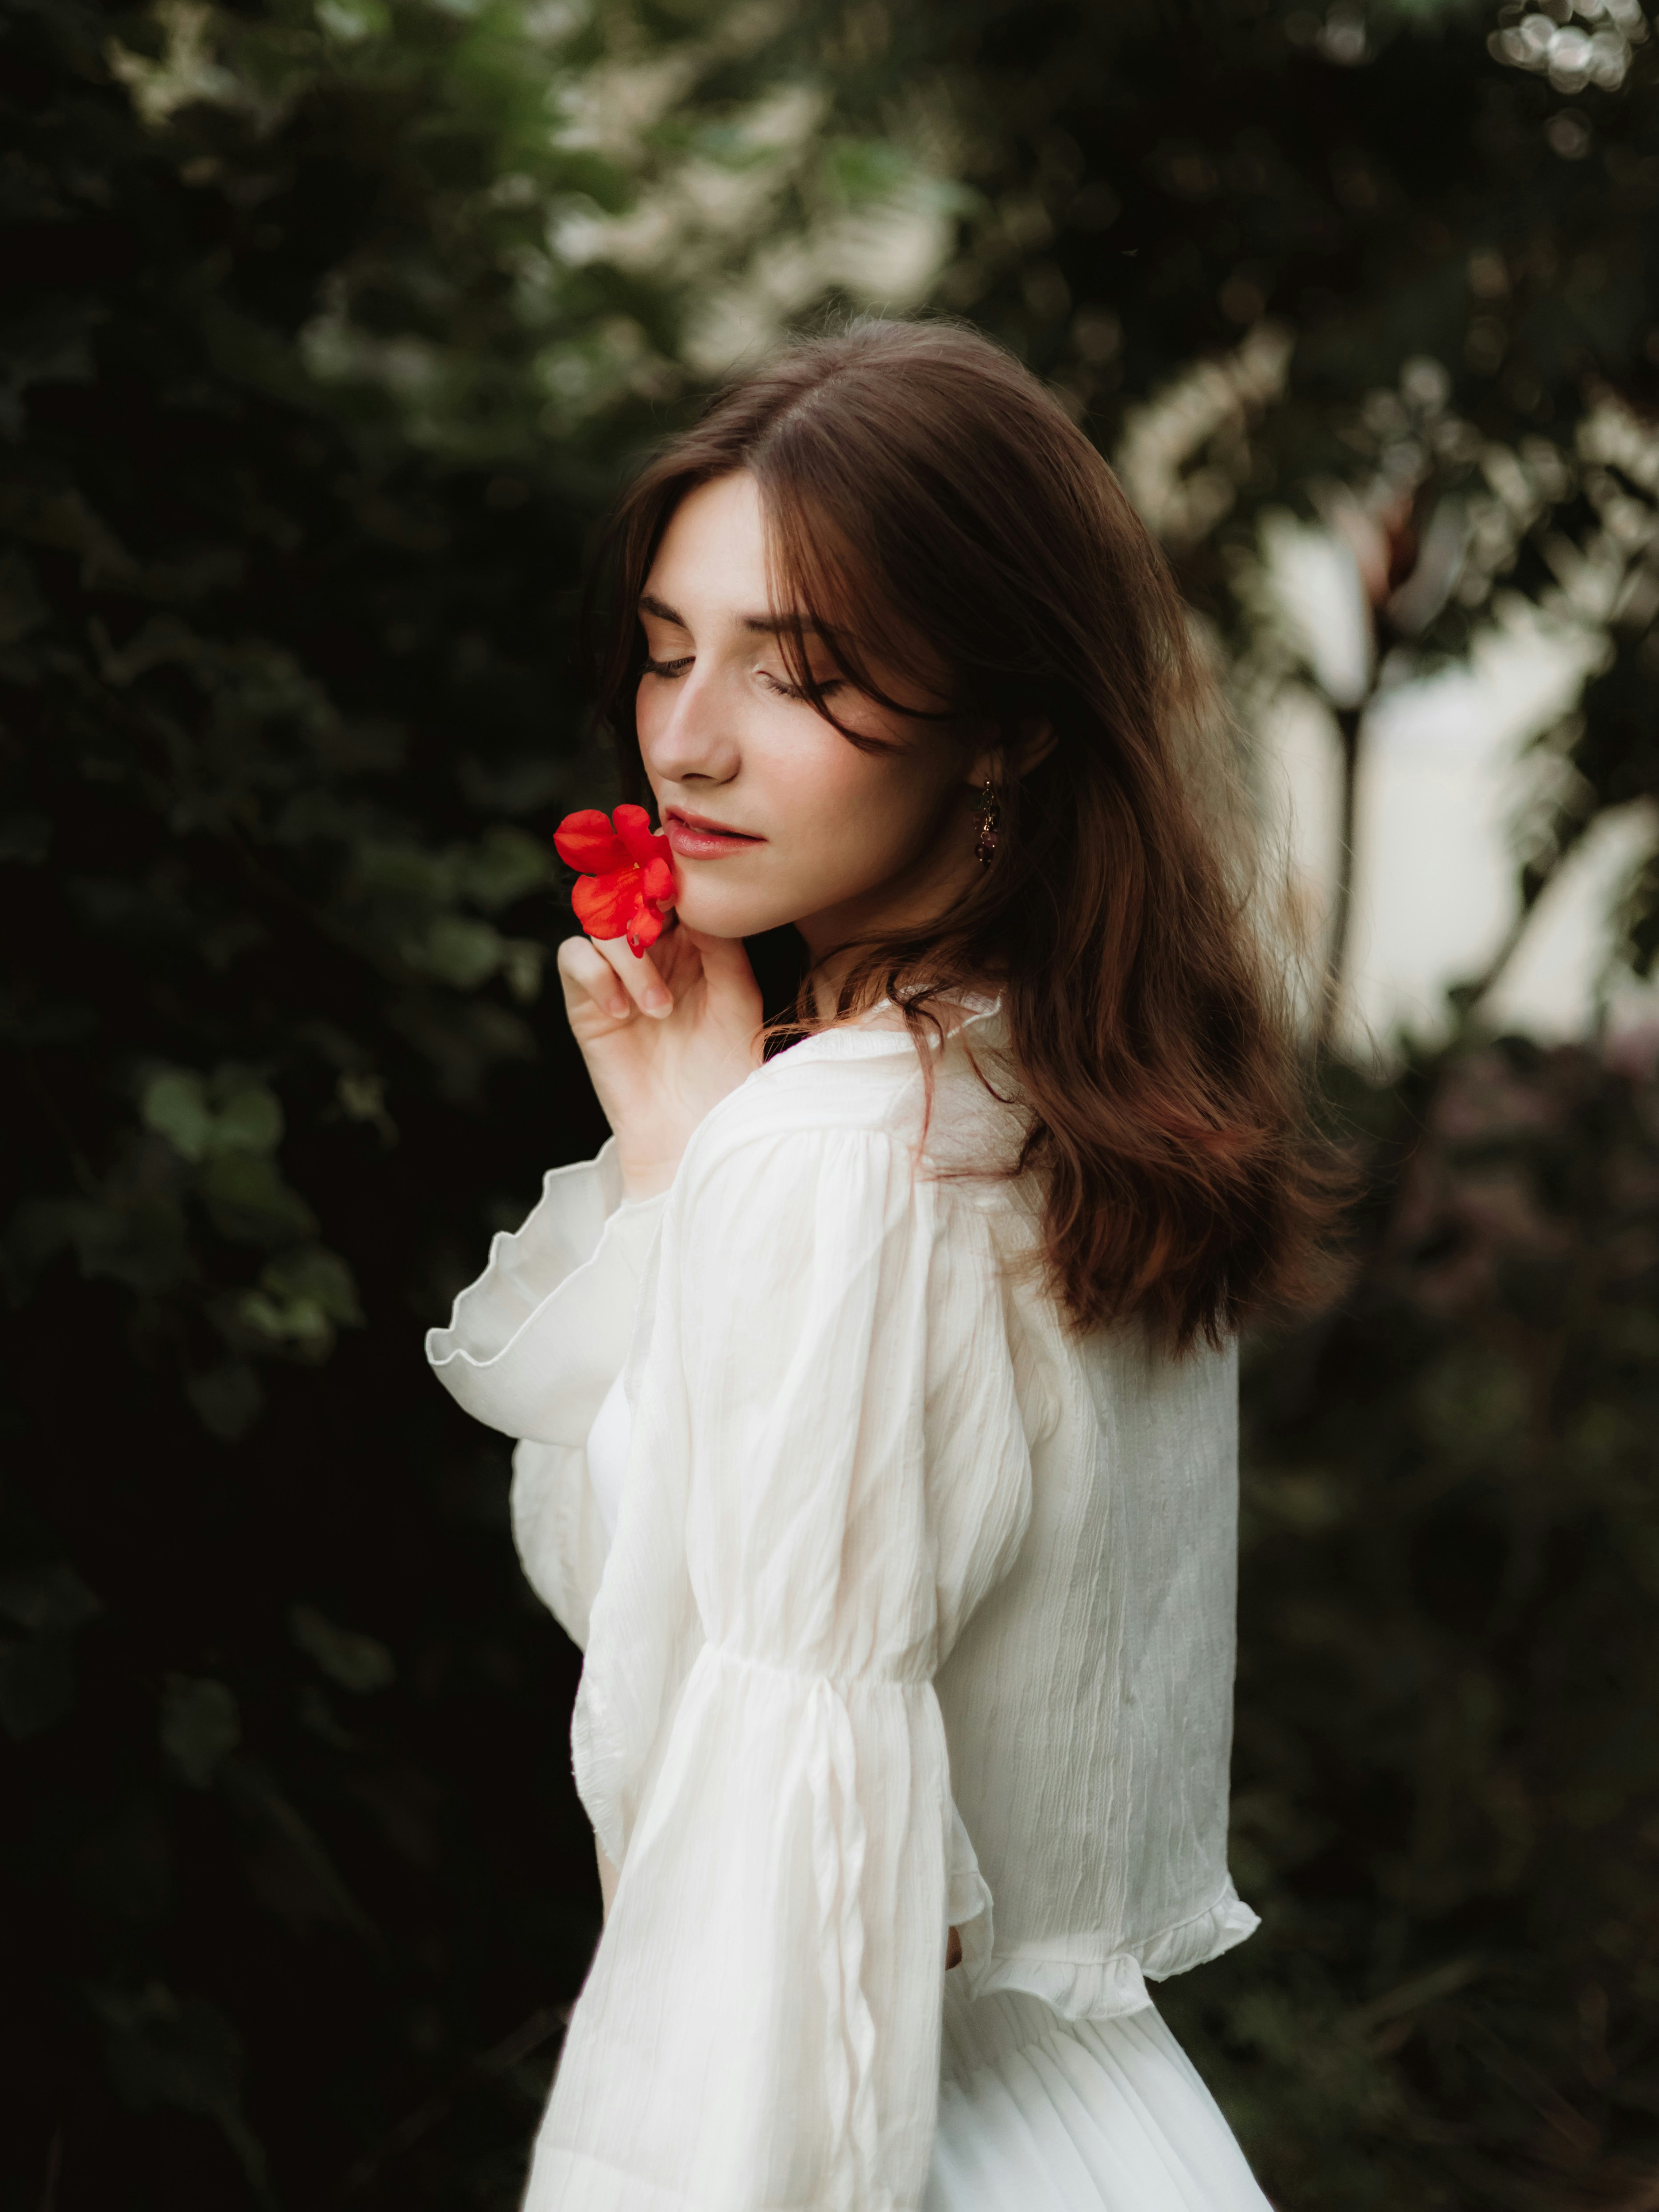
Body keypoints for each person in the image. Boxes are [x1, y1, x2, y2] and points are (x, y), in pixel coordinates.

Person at [427, 318, 1336, 2211]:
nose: (686, 739)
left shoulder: (846, 1151)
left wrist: (730, 1165)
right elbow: (696, 1603)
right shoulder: (1062, 1102)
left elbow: (773, 1915)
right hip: (1109, 2136)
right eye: (666, 651)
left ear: (1002, 718)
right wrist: (683, 1166)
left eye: (798, 672)